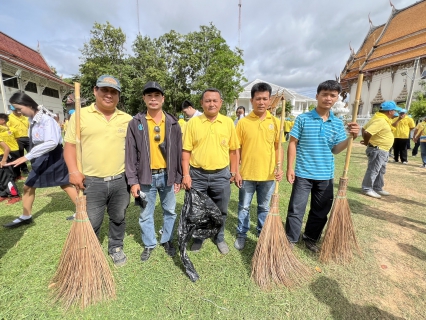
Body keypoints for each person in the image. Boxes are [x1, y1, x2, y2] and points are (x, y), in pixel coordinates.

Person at [64, 75, 132, 267]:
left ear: (118, 96)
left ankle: (116, 247)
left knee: (118, 216)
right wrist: (73, 171)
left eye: (114, 92)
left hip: (120, 180)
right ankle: (91, 250)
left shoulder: (127, 119)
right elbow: (69, 147)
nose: (109, 95)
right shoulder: (79, 115)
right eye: (105, 90)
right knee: (92, 220)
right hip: (91, 181)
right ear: (95, 91)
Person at [285, 80, 360, 253]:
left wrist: (351, 138)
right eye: (324, 94)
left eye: (332, 95)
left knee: (320, 211)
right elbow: (292, 143)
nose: (328, 98)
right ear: (317, 96)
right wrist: (290, 168)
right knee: (296, 208)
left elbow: (335, 149)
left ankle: (311, 238)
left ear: (337, 98)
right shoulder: (303, 119)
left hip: (325, 175)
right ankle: (291, 238)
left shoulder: (336, 123)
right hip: (303, 173)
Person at [125, 81, 182, 262]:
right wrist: (133, 180)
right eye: (149, 95)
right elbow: (130, 153)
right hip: (145, 177)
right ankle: (149, 244)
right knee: (145, 213)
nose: (153, 99)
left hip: (167, 175)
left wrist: (178, 177)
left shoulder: (173, 122)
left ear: (163, 98)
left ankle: (166, 240)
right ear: (144, 98)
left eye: (157, 95)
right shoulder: (136, 123)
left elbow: (179, 151)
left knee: (170, 211)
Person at [3, 92, 77, 228]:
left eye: (19, 109)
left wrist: (27, 156)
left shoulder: (46, 120)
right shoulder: (32, 119)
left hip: (52, 156)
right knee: (28, 186)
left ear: (28, 104)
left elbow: (52, 142)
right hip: (40, 156)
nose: (18, 112)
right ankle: (26, 216)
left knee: (65, 183)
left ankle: (82, 211)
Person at [182, 88, 239, 254]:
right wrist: (186, 174)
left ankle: (219, 237)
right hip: (197, 174)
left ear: (221, 103)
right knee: (198, 209)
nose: (211, 104)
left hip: (221, 174)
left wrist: (234, 172)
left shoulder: (228, 122)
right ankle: (198, 237)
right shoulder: (193, 123)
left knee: (221, 209)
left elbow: (233, 150)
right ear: (202, 103)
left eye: (215, 100)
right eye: (207, 101)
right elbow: (186, 151)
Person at [233, 82, 283, 250]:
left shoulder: (276, 122)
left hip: (268, 175)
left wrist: (279, 167)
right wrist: (237, 172)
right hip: (247, 174)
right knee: (244, 207)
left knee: (263, 207)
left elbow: (278, 147)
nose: (261, 102)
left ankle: (262, 233)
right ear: (252, 100)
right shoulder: (243, 123)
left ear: (270, 101)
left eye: (265, 99)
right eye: (258, 99)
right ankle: (242, 233)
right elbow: (237, 149)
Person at [361, 101, 397, 198]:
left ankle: (377, 187)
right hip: (378, 149)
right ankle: (367, 188)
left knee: (381, 170)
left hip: (383, 149)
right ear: (390, 111)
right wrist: (366, 141)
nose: (394, 113)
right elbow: (367, 132)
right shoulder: (380, 120)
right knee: (373, 170)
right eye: (394, 111)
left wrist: (367, 141)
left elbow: (364, 128)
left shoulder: (381, 118)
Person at [7, 104, 30, 176]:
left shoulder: (25, 118)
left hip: (27, 137)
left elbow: (29, 126)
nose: (18, 112)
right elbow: (7, 128)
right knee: (21, 155)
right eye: (16, 111)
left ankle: (36, 167)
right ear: (13, 110)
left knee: (32, 152)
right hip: (17, 139)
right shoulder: (9, 118)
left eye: (19, 110)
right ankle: (24, 169)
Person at [0, 113, 21, 179]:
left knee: (16, 164)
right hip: (4, 150)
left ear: (3, 120)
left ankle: (18, 175)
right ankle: (12, 177)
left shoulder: (13, 129)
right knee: (8, 165)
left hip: (14, 149)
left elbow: (17, 138)